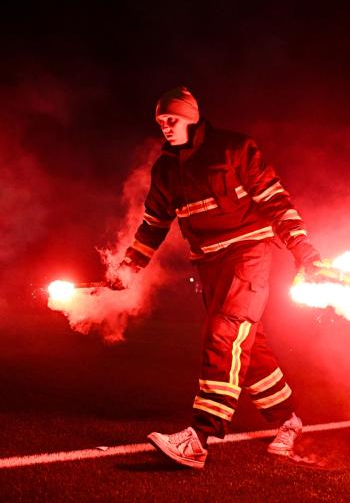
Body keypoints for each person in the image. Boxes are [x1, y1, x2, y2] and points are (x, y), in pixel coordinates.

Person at [112, 86, 322, 469]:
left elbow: (277, 202)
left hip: (249, 257)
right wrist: (128, 268)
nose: (166, 127)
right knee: (249, 347)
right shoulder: (165, 169)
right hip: (209, 267)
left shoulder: (236, 149)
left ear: (192, 116)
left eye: (172, 119)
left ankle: (199, 437)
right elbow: (153, 224)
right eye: (161, 122)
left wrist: (303, 252)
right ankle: (288, 420)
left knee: (224, 333)